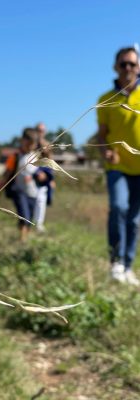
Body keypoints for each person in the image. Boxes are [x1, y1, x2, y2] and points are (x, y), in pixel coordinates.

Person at [97, 46, 140, 285]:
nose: (128, 68)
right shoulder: (105, 100)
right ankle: (116, 262)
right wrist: (106, 152)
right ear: (115, 67)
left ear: (139, 68)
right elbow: (101, 135)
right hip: (117, 167)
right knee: (118, 207)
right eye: (123, 64)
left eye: (132, 64)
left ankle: (129, 266)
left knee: (135, 220)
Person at [3, 128, 44, 242]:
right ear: (22, 141)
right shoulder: (15, 157)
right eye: (28, 144)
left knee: (30, 217)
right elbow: (7, 173)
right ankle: (22, 239)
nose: (30, 147)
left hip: (33, 192)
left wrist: (41, 175)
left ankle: (26, 235)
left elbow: (40, 170)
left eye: (32, 144)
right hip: (19, 191)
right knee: (23, 215)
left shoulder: (36, 156)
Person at [34, 122, 55, 232]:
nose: (40, 133)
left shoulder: (47, 144)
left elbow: (50, 161)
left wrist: (51, 178)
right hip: (31, 175)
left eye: (42, 131)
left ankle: (39, 223)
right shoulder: (31, 144)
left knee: (41, 200)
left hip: (43, 176)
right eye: (38, 130)